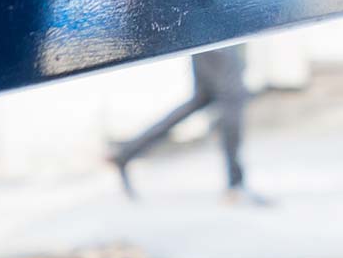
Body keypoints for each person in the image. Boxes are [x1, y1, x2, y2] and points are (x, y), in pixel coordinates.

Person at [109, 44, 264, 204]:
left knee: (204, 98)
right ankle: (236, 186)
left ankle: (126, 153)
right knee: (232, 95)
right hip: (213, 29)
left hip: (205, 33)